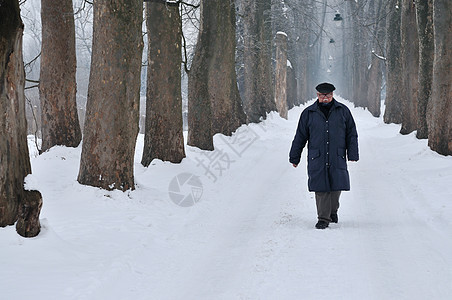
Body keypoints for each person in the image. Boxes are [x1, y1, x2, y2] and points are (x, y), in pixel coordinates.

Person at [289, 82, 359, 229]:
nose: (325, 98)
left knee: (336, 185)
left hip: (337, 154)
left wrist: (352, 153)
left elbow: (351, 133)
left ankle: (332, 212)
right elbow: (300, 136)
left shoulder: (343, 111)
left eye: (327, 95)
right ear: (317, 95)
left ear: (332, 95)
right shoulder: (308, 113)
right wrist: (295, 157)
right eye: (322, 96)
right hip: (317, 156)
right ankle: (323, 218)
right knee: (321, 187)